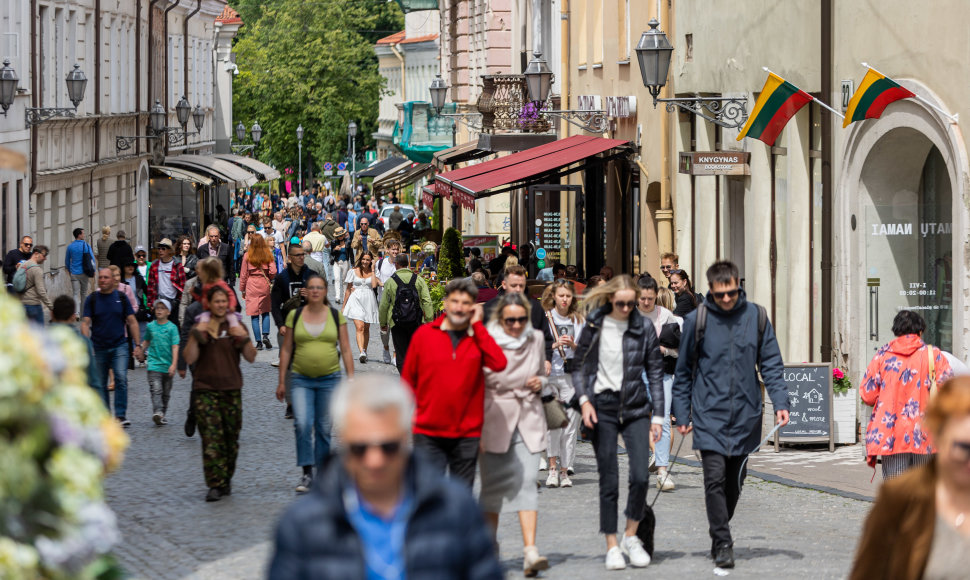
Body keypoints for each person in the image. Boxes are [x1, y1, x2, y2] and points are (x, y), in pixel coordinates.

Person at [268, 375, 503, 579]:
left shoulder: (456, 508)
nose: (375, 460)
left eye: (388, 447)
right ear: (343, 443)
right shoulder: (301, 525)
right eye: (360, 448)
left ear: (405, 438)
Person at [671, 261, 790, 569]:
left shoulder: (757, 317)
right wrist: (681, 413)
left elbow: (772, 364)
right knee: (713, 479)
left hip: (746, 415)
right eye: (720, 294)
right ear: (711, 290)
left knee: (734, 483)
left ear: (739, 286)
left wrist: (781, 402)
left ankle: (719, 527)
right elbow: (683, 373)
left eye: (732, 293)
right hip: (709, 415)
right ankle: (723, 541)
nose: (727, 299)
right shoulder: (697, 320)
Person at [572, 275, 664, 571]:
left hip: (636, 407)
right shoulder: (596, 324)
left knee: (640, 475)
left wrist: (659, 416)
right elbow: (579, 365)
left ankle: (631, 535)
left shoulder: (643, 326)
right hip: (604, 407)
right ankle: (612, 544)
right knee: (609, 478)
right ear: (611, 299)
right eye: (620, 303)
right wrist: (584, 400)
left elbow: (655, 370)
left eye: (631, 303)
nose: (626, 308)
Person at [849, 376, 970, 580]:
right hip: (907, 437)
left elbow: (868, 393)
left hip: (894, 434)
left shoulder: (885, 358)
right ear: (939, 436)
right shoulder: (900, 498)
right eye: (963, 447)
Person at [401, 278, 507, 487]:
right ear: (446, 303)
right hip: (428, 431)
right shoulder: (425, 334)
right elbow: (408, 381)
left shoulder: (477, 336)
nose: (459, 308)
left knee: (461, 495)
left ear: (473, 307)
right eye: (455, 301)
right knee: (429, 494)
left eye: (466, 303)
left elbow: (499, 363)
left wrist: (477, 326)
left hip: (467, 432)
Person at [480, 293, 550, 576]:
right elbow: (478, 380)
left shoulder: (536, 339)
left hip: (529, 416)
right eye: (511, 320)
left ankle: (530, 551)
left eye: (522, 319)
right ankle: (489, 548)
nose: (517, 325)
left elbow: (544, 373)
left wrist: (541, 381)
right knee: (492, 489)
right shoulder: (487, 340)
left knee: (527, 482)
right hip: (494, 416)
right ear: (500, 319)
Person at [277, 274, 355, 493]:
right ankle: (306, 473)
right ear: (306, 291)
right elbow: (287, 349)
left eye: (319, 287)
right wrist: (282, 381)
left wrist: (351, 380)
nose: (315, 291)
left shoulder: (334, 316)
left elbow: (347, 349)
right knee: (302, 424)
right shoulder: (295, 315)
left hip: (329, 379)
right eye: (311, 288)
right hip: (301, 379)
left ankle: (322, 474)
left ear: (325, 291)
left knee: (323, 427)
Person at [181, 284, 257, 501]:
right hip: (205, 389)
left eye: (224, 301)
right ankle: (215, 484)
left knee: (230, 439)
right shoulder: (201, 324)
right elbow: (189, 358)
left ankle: (226, 478)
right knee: (211, 439)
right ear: (209, 304)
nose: (221, 305)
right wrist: (196, 335)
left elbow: (251, 356)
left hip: (231, 388)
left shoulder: (236, 324)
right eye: (217, 301)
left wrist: (242, 337)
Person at [860, 310, 954, 479]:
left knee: (896, 489)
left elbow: (868, 395)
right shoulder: (934, 355)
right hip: (926, 431)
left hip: (891, 433)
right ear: (920, 331)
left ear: (897, 331)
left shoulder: (882, 356)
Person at [637, 275, 682, 491]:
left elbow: (679, 349)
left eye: (650, 299)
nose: (646, 303)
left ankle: (662, 471)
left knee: (662, 420)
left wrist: (665, 350)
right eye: (643, 298)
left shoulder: (666, 316)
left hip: (661, 373)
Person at [82, 267, 142, 426]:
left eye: (106, 277)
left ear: (113, 280)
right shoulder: (92, 299)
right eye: (100, 277)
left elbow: (132, 321)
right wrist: (85, 342)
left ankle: (120, 415)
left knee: (121, 378)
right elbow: (85, 322)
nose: (102, 280)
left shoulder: (121, 298)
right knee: (101, 383)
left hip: (120, 346)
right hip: (99, 346)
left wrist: (137, 344)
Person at [541, 278, 585, 488]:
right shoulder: (546, 318)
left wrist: (574, 345)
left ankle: (565, 470)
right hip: (551, 376)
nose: (565, 299)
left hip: (572, 377)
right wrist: (554, 345)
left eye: (568, 296)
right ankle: (552, 469)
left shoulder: (578, 320)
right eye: (561, 296)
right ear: (554, 297)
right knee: (554, 424)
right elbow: (537, 346)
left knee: (570, 426)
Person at [271, 244, 314, 418]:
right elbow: (274, 304)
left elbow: (323, 298)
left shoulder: (311, 275)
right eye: (297, 255)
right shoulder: (282, 278)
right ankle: (291, 404)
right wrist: (280, 324)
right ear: (289, 257)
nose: (301, 258)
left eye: (302, 255)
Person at [484, 265, 553, 365]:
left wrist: (547, 359)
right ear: (504, 284)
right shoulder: (490, 308)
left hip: (528, 364)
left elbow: (545, 338)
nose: (518, 289)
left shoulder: (535, 308)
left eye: (521, 286)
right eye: (514, 285)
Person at [379, 253, 433, 374]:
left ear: (396, 264)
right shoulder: (418, 279)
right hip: (416, 322)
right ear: (408, 264)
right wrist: (429, 321)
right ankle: (415, 377)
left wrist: (383, 323)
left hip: (396, 323)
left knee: (401, 352)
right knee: (415, 351)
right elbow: (427, 301)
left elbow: (383, 305)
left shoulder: (390, 282)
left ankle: (405, 379)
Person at [138, 299, 180, 426]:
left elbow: (175, 346)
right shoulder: (150, 326)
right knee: (156, 390)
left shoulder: (172, 328)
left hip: (167, 366)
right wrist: (140, 350)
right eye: (157, 308)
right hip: (154, 364)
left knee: (166, 394)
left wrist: (174, 364)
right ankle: (158, 412)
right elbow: (146, 341)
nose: (159, 310)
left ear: (168, 312)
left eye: (162, 308)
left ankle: (162, 414)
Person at [51, 295, 99, 391]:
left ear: (51, 314)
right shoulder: (84, 342)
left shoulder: (41, 340)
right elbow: (93, 378)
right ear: (73, 317)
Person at [240, 233, 277, 351]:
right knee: (265, 311)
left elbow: (243, 274)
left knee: (254, 315)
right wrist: (270, 278)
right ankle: (265, 335)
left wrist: (242, 289)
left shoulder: (247, 255)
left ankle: (259, 342)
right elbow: (273, 270)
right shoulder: (267, 254)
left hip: (251, 284)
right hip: (264, 283)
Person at [342, 251, 380, 364]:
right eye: (363, 259)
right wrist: (344, 305)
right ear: (360, 259)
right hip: (355, 299)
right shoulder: (352, 271)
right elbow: (348, 289)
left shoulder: (374, 272)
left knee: (366, 328)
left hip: (369, 300)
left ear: (371, 261)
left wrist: (373, 269)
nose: (365, 262)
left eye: (368, 260)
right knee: (360, 327)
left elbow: (374, 285)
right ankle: (361, 352)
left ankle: (365, 350)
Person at [376, 238, 404, 365]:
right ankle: (386, 347)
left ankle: (395, 353)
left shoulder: (401, 264)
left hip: (397, 302)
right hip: (383, 300)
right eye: (393, 249)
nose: (395, 251)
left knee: (396, 328)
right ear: (387, 250)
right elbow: (376, 277)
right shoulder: (381, 263)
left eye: (397, 249)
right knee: (384, 329)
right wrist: (381, 283)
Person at [147, 238, 186, 328]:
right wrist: (150, 303)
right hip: (159, 302)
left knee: (173, 329)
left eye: (163, 248)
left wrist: (179, 302)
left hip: (173, 303)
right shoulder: (154, 265)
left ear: (169, 250)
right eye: (159, 248)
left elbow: (183, 285)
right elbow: (150, 286)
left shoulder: (177, 265)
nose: (160, 250)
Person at [16, 244, 52, 324]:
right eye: (44, 255)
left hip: (21, 305)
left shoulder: (22, 265)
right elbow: (41, 291)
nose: (45, 258)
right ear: (36, 254)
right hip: (33, 305)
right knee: (38, 333)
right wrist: (51, 307)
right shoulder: (37, 270)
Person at [66, 228, 95, 309]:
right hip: (84, 273)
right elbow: (92, 259)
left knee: (75, 293)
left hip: (74, 273)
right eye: (83, 233)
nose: (84, 235)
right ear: (79, 235)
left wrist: (69, 270)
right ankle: (83, 312)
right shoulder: (86, 245)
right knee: (84, 293)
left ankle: (77, 313)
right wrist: (94, 269)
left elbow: (67, 261)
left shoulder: (70, 247)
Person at [330, 227, 350, 304]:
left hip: (345, 262)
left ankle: (345, 295)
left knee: (345, 280)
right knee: (337, 278)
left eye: (342, 235)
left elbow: (350, 253)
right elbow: (331, 253)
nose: (341, 237)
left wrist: (353, 263)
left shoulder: (348, 241)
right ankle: (337, 296)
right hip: (336, 262)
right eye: (339, 235)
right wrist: (335, 249)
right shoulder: (334, 242)